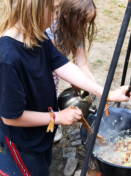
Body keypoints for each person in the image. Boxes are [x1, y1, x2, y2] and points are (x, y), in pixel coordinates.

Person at [0, 0, 131, 176]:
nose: (56, 16)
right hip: (22, 136)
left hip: (41, 130)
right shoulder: (7, 59)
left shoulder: (39, 37)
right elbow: (11, 118)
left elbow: (65, 66)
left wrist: (108, 94)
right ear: (35, 6)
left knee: (45, 163)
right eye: (54, 10)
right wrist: (57, 118)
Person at [46, 0, 97, 142]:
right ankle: (50, 120)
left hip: (58, 70)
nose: (85, 26)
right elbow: (59, 65)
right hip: (44, 71)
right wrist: (80, 84)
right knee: (47, 95)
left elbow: (81, 62)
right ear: (66, 15)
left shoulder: (76, 30)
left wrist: (92, 84)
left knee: (54, 94)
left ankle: (52, 119)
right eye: (82, 22)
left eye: (88, 22)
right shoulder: (51, 29)